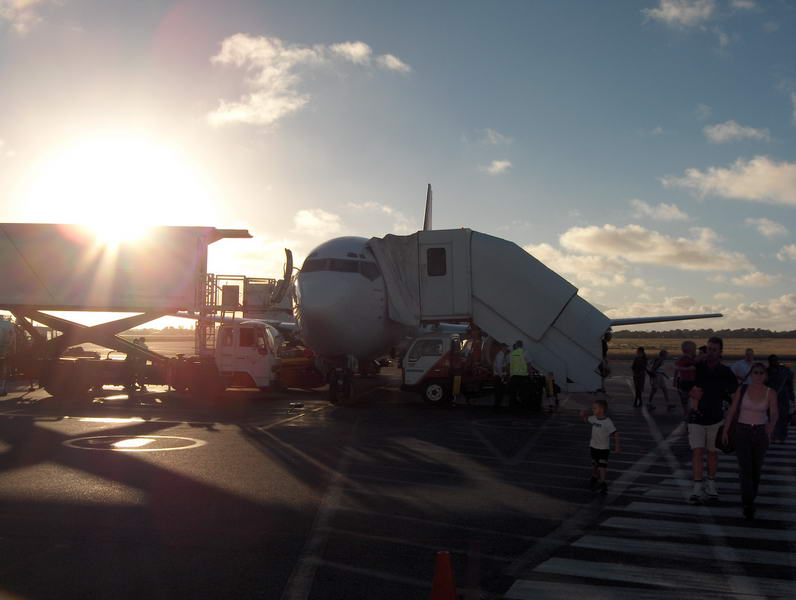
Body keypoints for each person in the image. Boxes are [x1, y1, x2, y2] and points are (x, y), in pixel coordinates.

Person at [721, 363, 778, 519]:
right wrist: (726, 429)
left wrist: (770, 427)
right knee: (745, 469)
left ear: (765, 375)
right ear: (751, 375)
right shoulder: (743, 389)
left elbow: (774, 413)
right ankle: (748, 504)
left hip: (760, 432)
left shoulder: (770, 393)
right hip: (742, 431)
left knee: (756, 469)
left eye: (761, 373)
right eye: (755, 372)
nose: (758, 375)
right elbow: (732, 409)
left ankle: (750, 497)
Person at [688, 337, 738, 504]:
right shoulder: (697, 368)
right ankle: (697, 486)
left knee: (712, 453)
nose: (711, 352)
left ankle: (710, 483)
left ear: (720, 352)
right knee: (697, 451)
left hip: (716, 417)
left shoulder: (725, 372)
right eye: (709, 349)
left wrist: (733, 418)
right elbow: (683, 385)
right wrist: (690, 395)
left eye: (714, 349)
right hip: (696, 417)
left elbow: (734, 397)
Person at [580, 399, 620, 495]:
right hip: (593, 446)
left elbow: (616, 433)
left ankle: (603, 483)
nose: (592, 409)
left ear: (601, 410)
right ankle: (594, 476)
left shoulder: (607, 422)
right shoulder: (594, 418)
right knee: (595, 464)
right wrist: (582, 416)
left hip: (603, 448)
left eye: (594, 408)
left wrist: (617, 447)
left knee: (602, 466)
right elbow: (586, 420)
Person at [767, 355, 794, 443]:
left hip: (781, 397)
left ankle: (779, 436)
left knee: (781, 417)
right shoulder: (769, 371)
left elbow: (790, 383)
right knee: (775, 417)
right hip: (775, 397)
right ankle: (775, 436)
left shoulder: (784, 370)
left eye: (775, 360)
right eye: (772, 360)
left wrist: (791, 395)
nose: (774, 362)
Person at [507, 340, 532, 411]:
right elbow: (529, 365)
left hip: (514, 377)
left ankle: (512, 409)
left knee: (513, 394)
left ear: (516, 345)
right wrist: (531, 375)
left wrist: (509, 376)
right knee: (524, 394)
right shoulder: (525, 352)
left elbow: (509, 366)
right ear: (522, 345)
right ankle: (524, 410)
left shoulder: (511, 354)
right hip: (523, 377)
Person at [675, 341, 697, 414]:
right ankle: (687, 414)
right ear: (689, 350)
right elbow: (677, 368)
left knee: (693, 399)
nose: (695, 350)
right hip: (685, 381)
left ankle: (690, 413)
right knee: (685, 400)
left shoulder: (694, 358)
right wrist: (688, 369)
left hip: (692, 381)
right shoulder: (683, 358)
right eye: (694, 348)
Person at [492, 343, 509, 412]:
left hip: (499, 376)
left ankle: (497, 407)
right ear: (503, 348)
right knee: (499, 392)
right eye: (506, 348)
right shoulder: (500, 356)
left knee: (500, 392)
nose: (507, 349)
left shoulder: (502, 355)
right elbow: (498, 367)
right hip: (498, 377)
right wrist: (501, 376)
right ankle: (496, 408)